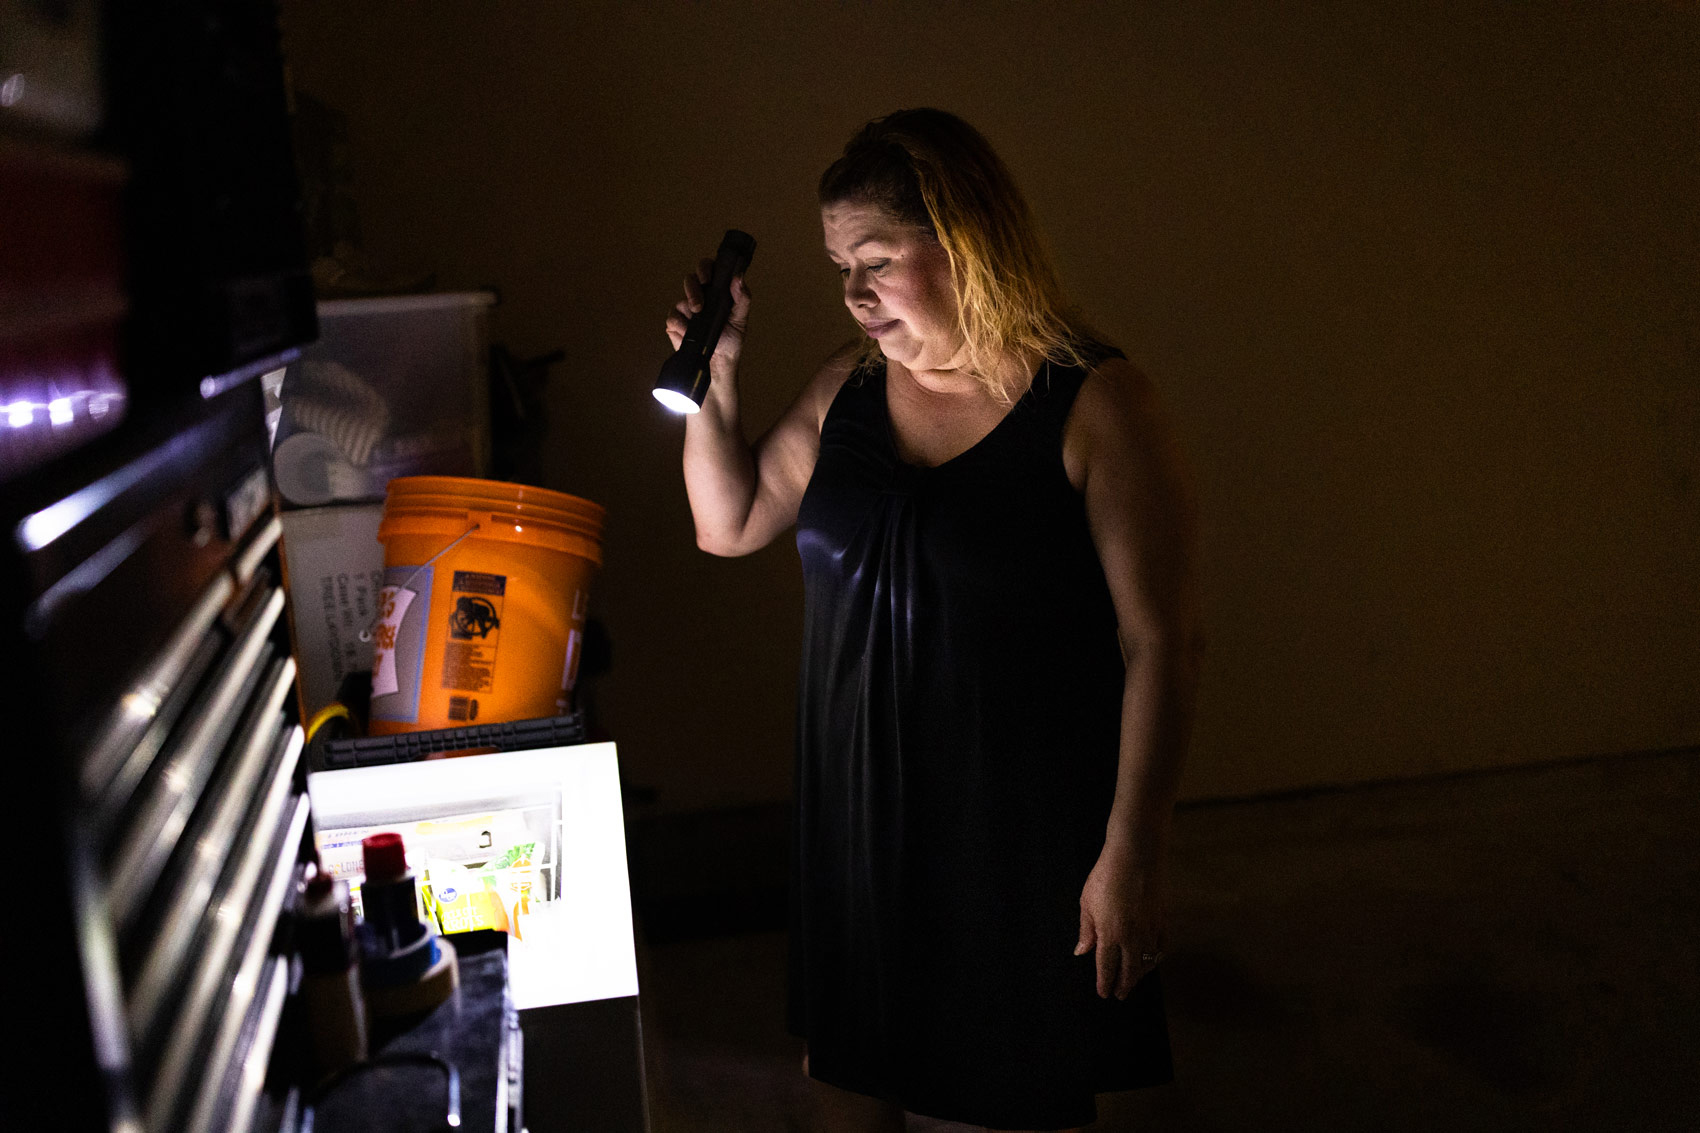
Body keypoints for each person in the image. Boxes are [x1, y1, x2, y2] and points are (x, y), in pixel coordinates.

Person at [663, 108, 1202, 1132]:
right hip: (855, 823)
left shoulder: (1096, 405)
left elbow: (1162, 642)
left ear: (963, 239)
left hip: (1013, 838)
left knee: (998, 1099)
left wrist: (1132, 849)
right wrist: (715, 379)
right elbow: (725, 522)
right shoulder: (847, 389)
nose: (853, 291)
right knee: (848, 1096)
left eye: (875, 259)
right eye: (837, 265)